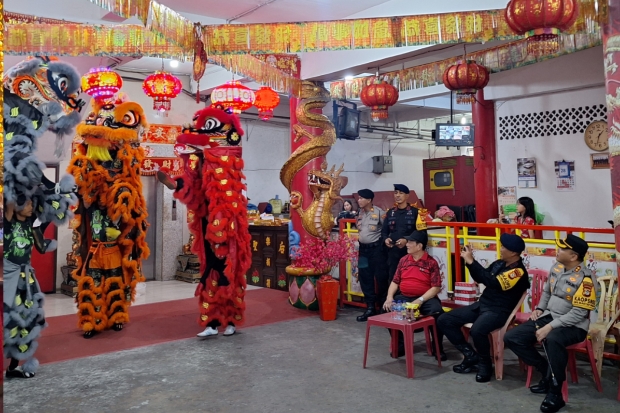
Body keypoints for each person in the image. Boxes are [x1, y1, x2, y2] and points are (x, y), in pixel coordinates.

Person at [157, 106, 251, 338]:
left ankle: (230, 320)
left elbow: (226, 180)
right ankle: (212, 323)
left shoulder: (227, 157)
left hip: (230, 225)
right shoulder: (199, 160)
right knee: (209, 271)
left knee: (229, 271)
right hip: (207, 222)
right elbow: (195, 190)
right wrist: (176, 184)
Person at [504, 235, 596, 413]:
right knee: (513, 337)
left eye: (562, 249)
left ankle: (555, 393)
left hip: (573, 326)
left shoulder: (586, 279)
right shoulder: (557, 267)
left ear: (573, 256)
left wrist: (549, 327)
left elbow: (578, 313)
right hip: (549, 316)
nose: (557, 251)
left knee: (552, 339)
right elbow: (547, 292)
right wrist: (539, 309)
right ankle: (545, 370)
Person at [437, 233, 530, 383]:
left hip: (499, 311)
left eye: (503, 247)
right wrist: (469, 262)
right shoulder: (499, 263)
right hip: (483, 306)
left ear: (513, 252)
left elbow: (493, 282)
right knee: (445, 319)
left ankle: (485, 364)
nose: (500, 249)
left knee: (477, 331)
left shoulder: (517, 272)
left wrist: (471, 261)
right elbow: (482, 277)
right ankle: (470, 355)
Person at [4, 200, 56, 378]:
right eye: (27, 204)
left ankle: (13, 367)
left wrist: (50, 216)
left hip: (26, 282)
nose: (31, 207)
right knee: (10, 322)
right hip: (10, 280)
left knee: (25, 322)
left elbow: (41, 248)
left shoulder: (30, 226)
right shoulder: (9, 224)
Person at [382, 231, 446, 360]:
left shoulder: (431, 263)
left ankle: (437, 347)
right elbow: (395, 281)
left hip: (425, 298)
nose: (407, 244)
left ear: (419, 246)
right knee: (386, 310)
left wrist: (420, 300)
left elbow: (436, 287)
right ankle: (401, 345)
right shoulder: (403, 260)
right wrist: (389, 298)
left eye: (411, 242)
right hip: (404, 297)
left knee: (438, 313)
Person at [355, 189, 388, 322]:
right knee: (365, 278)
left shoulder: (380, 213)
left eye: (362, 198)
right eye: (359, 198)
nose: (359, 200)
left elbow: (386, 231)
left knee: (381, 278)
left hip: (377, 250)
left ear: (369, 200)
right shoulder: (360, 213)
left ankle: (382, 307)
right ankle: (370, 308)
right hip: (363, 251)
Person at [382, 184, 426, 283]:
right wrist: (386, 239)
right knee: (393, 278)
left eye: (401, 193)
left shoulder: (416, 212)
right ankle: (393, 298)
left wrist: (406, 240)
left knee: (409, 278)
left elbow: (421, 232)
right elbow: (384, 231)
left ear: (407, 196)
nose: (397, 195)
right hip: (393, 252)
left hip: (410, 252)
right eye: (396, 193)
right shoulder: (390, 212)